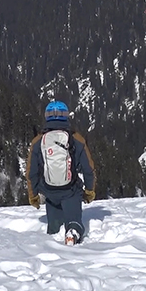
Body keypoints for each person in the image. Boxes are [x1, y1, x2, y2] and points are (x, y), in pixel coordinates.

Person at [26, 101, 96, 245]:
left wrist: (33, 195)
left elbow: (31, 172)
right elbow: (88, 169)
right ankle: (72, 232)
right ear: (66, 116)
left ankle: (52, 239)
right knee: (73, 221)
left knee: (54, 229)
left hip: (49, 191)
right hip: (70, 191)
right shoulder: (77, 139)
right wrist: (89, 191)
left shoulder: (38, 141)